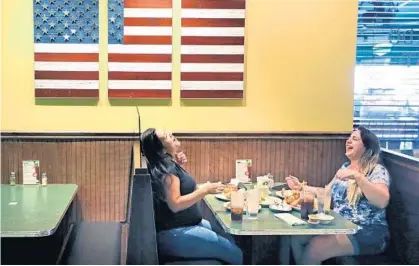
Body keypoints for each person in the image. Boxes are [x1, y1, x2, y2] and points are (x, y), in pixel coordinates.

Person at [286, 126, 391, 264]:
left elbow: (382, 200)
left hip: (368, 231)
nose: (348, 141)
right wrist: (302, 187)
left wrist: (358, 177)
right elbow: (326, 193)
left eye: (354, 139)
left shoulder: (376, 170)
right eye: (348, 138)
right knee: (296, 239)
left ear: (367, 147)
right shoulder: (345, 167)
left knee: (316, 247)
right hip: (339, 225)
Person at [140, 128, 243, 265]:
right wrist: (205, 190)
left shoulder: (167, 164)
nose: (170, 134)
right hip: (175, 233)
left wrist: (178, 165)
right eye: (166, 135)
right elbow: (175, 204)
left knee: (229, 239)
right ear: (160, 149)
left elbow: (181, 187)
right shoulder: (166, 169)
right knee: (236, 255)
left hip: (188, 225)